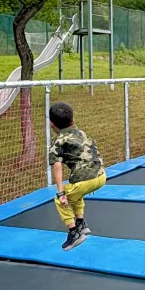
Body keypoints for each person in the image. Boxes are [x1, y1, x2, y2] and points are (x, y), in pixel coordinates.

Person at [47, 101, 106, 250]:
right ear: (73, 120)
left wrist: (61, 193)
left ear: (51, 124)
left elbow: (57, 166)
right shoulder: (81, 132)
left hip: (85, 180)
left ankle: (74, 233)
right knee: (75, 194)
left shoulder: (58, 141)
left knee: (61, 199)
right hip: (101, 175)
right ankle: (81, 223)